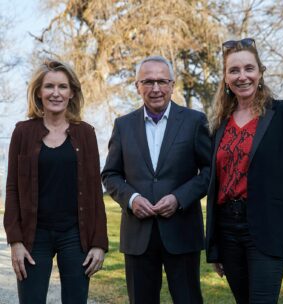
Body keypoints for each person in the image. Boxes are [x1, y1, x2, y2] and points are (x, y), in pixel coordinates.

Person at [102, 55, 210, 304]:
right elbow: (110, 174)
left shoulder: (195, 122)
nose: (156, 88)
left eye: (162, 81)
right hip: (138, 236)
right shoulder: (123, 125)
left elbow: (209, 171)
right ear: (137, 86)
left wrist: (179, 198)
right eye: (148, 82)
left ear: (173, 85)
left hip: (182, 231)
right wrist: (132, 199)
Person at [206, 38, 283, 303]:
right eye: (234, 70)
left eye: (248, 68)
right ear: (226, 78)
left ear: (260, 72)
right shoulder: (218, 124)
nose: (242, 76)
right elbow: (215, 183)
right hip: (228, 230)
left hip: (269, 227)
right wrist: (213, 245)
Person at [4, 59, 108, 304]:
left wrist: (99, 243)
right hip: (34, 235)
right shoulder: (23, 132)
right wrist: (15, 241)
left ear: (72, 92)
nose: (56, 93)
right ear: (39, 92)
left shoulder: (85, 133)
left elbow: (95, 191)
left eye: (62, 86)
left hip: (75, 233)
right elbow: (12, 189)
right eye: (49, 86)